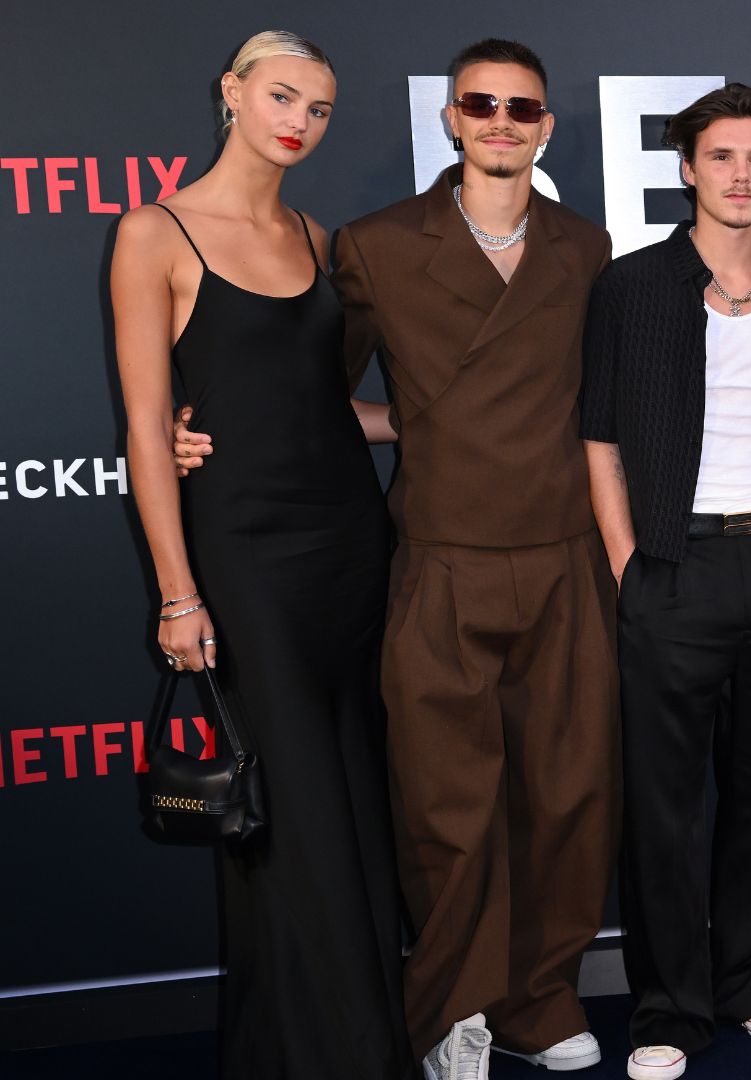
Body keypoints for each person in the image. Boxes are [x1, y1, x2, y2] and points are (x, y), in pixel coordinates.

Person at [175, 38, 618, 1078]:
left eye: (523, 107)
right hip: (438, 557)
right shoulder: (373, 245)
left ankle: (539, 1000)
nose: (503, 121)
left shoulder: (586, 248)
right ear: (452, 120)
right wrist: (196, 424)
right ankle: (453, 1007)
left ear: (545, 126)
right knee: (445, 805)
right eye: (482, 104)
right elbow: (309, 385)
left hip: (564, 556)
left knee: (565, 796)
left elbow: (632, 387)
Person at [113, 30, 410, 1079]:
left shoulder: (315, 235)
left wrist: (435, 421)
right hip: (244, 559)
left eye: (320, 109)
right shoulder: (155, 233)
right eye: (282, 96)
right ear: (231, 93)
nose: (299, 121)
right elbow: (151, 428)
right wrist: (177, 594)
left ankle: (359, 1029)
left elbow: (322, 406)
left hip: (350, 547)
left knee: (357, 793)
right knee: (290, 812)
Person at [579, 84, 751, 1080]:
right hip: (671, 570)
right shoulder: (631, 288)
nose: (740, 175)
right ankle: (667, 1011)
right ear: (688, 169)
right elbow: (598, 441)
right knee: (665, 807)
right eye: (721, 157)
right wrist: (630, 568)